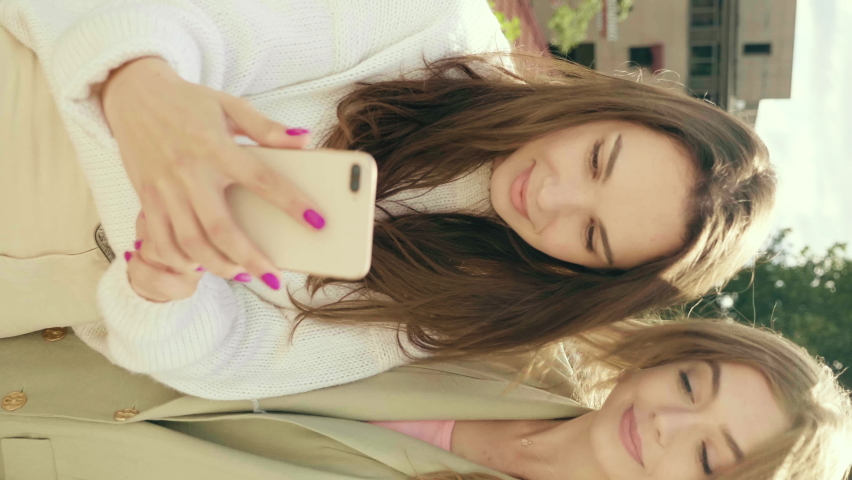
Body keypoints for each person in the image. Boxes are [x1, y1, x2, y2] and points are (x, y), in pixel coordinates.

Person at [0, 0, 776, 400]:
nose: (555, 197)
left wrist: (160, 288)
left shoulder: (444, 312)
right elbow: (186, 20)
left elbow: (227, 359)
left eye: (593, 235)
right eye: (598, 158)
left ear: (593, 277)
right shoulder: (431, 29)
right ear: (608, 104)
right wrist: (142, 87)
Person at [0, 318, 848, 480]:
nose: (666, 422)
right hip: (51, 354)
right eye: (692, 384)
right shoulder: (504, 339)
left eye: (706, 459)